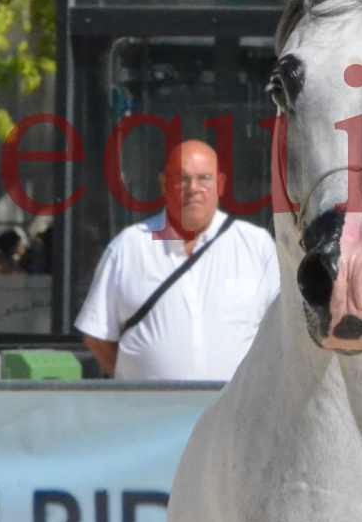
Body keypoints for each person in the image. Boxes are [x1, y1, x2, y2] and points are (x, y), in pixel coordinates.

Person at [75, 139, 278, 381]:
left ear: (220, 185)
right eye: (182, 178)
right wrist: (134, 384)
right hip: (147, 414)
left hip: (235, 415)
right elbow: (97, 337)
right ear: (163, 184)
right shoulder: (128, 247)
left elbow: (282, 331)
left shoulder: (257, 245)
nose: (193, 188)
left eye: (204, 178)